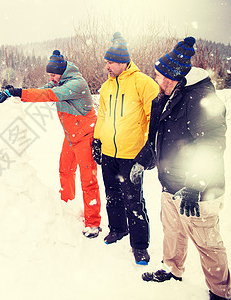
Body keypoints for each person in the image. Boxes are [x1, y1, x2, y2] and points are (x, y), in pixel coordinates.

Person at [134, 37, 230, 300]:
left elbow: (212, 143)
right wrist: (146, 157)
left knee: (207, 242)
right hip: (170, 183)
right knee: (173, 231)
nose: (158, 81)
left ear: (176, 77)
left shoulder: (201, 99)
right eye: (156, 75)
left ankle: (222, 292)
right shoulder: (163, 96)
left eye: (162, 77)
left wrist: (195, 184)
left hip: (199, 189)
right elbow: (158, 134)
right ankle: (172, 268)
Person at [0, 50, 102, 238]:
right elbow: (40, 91)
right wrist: (15, 92)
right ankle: (67, 206)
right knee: (65, 170)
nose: (51, 78)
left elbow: (48, 95)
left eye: (53, 74)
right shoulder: (58, 81)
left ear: (62, 72)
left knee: (88, 180)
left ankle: (93, 223)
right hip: (71, 136)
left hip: (85, 136)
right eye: (50, 75)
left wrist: (18, 92)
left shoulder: (77, 83)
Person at [92, 32, 159, 264]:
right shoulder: (105, 87)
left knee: (134, 200)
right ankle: (118, 229)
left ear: (123, 62)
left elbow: (156, 116)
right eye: (106, 62)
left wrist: (150, 147)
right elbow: (102, 116)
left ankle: (140, 245)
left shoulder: (143, 83)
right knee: (112, 195)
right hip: (109, 152)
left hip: (132, 154)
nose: (107, 66)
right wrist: (97, 140)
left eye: (110, 62)